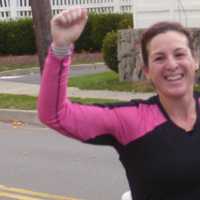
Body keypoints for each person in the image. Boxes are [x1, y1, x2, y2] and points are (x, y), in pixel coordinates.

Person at [38, 6, 200, 200]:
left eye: (180, 54)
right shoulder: (130, 119)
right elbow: (56, 115)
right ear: (146, 70)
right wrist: (61, 47)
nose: (172, 65)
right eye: (159, 58)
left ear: (195, 61)